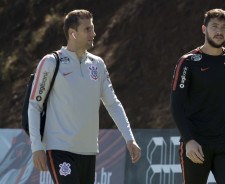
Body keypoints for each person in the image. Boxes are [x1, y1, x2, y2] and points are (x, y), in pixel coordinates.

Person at [28, 9, 141, 184]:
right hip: (60, 149)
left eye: (92, 28)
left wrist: (129, 139)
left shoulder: (98, 64)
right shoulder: (51, 62)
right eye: (87, 29)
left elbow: (113, 104)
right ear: (73, 33)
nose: (93, 33)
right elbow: (34, 105)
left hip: (88, 151)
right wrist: (36, 147)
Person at [170, 8, 225, 184]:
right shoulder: (187, 62)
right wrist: (188, 140)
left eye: (224, 27)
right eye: (214, 26)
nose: (219, 31)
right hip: (197, 143)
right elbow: (176, 104)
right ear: (204, 29)